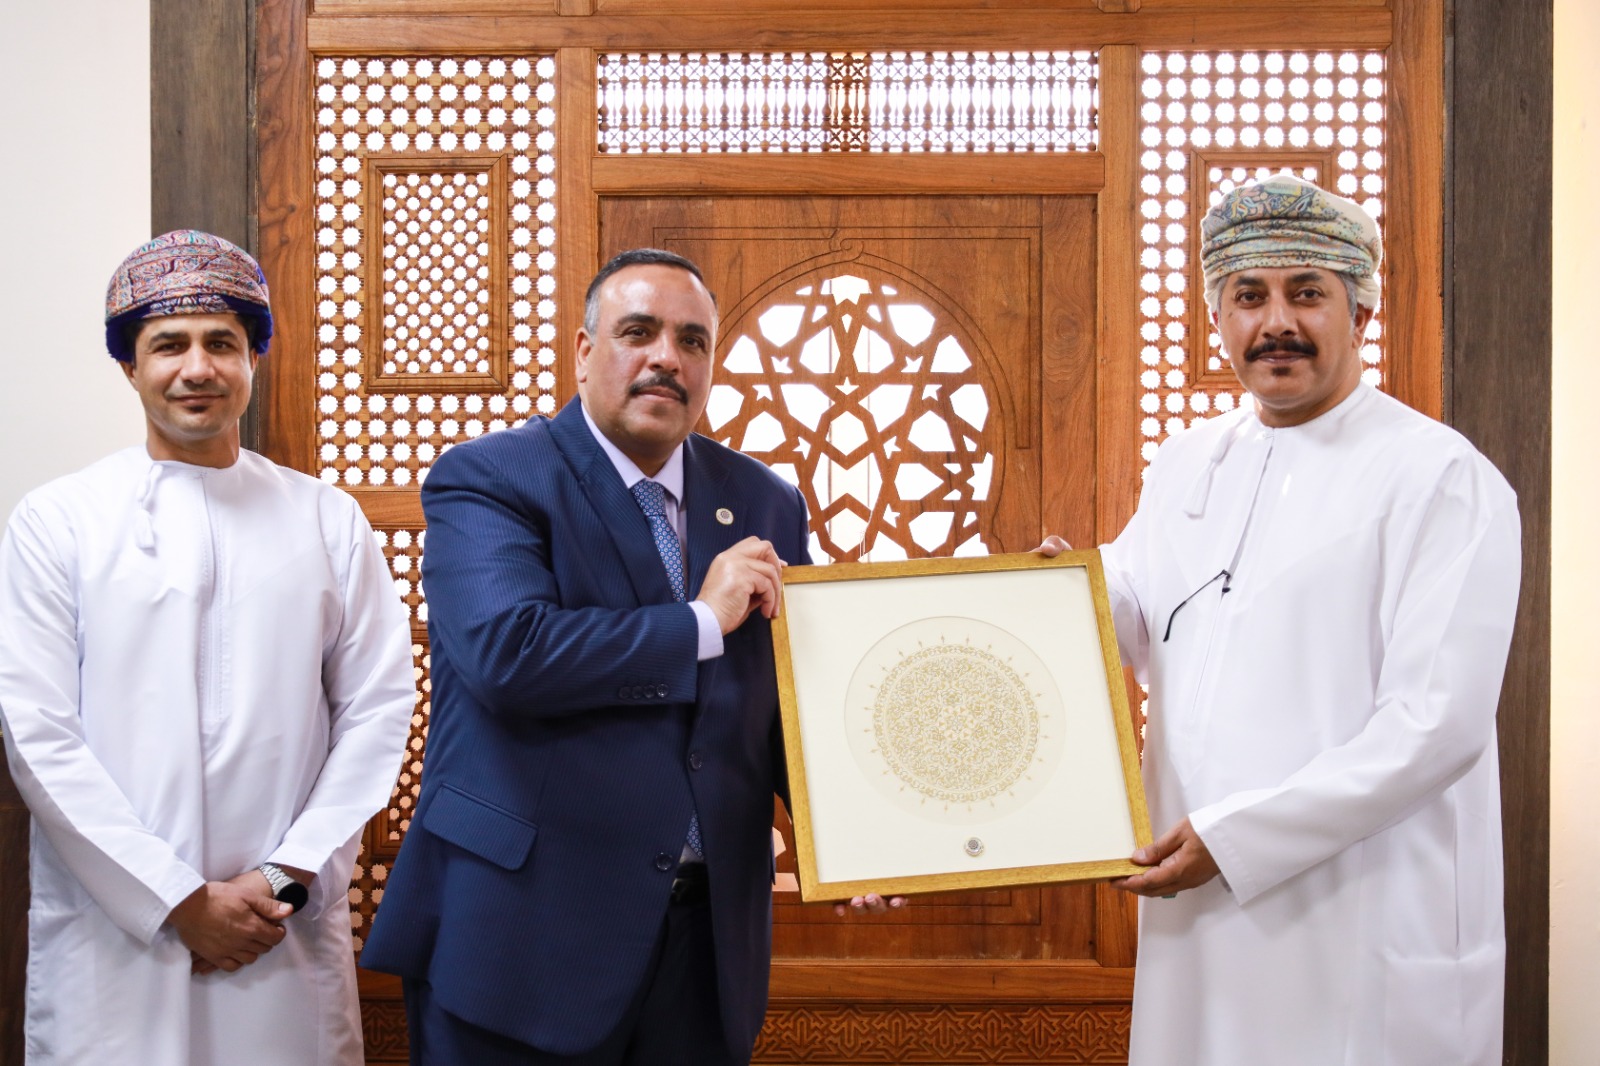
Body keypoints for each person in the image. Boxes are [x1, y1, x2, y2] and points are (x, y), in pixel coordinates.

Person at [362, 248, 888, 1065]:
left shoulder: (765, 500)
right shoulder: (490, 477)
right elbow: (509, 653)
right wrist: (702, 620)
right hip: (524, 936)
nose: (666, 358)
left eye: (692, 340)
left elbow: (792, 697)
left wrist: (855, 829)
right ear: (583, 351)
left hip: (705, 947)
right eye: (638, 332)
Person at [1044, 175, 1521, 1064]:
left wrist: (1238, 839)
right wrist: (1058, 598)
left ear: (1360, 311)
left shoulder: (1438, 477)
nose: (1277, 323)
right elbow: (1140, 609)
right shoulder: (1189, 462)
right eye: (1248, 296)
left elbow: (1435, 725)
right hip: (1197, 898)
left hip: (1359, 910)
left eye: (1307, 294)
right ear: (1216, 317)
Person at [0, 230, 417, 1064]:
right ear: (129, 366)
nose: (198, 368)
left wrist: (284, 878)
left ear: (254, 357)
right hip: (118, 940)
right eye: (169, 345)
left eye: (222, 342)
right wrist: (177, 901)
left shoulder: (325, 518)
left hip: (278, 932)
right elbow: (38, 733)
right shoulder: (59, 521)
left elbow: (377, 712)